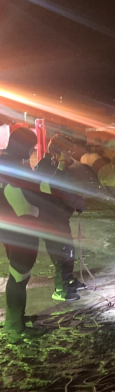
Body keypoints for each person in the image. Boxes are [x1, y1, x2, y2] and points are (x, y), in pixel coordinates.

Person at [0, 127, 48, 344]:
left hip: (11, 228)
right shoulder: (12, 168)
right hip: (21, 229)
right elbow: (30, 198)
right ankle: (14, 328)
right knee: (19, 276)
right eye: (30, 148)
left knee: (20, 274)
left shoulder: (5, 162)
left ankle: (16, 318)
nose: (31, 152)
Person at [35, 142, 86, 301]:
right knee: (61, 254)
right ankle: (60, 289)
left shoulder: (54, 166)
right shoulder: (46, 167)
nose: (70, 155)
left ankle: (68, 281)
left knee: (68, 252)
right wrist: (78, 203)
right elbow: (56, 188)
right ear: (58, 154)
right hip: (50, 222)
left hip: (59, 219)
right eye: (67, 153)